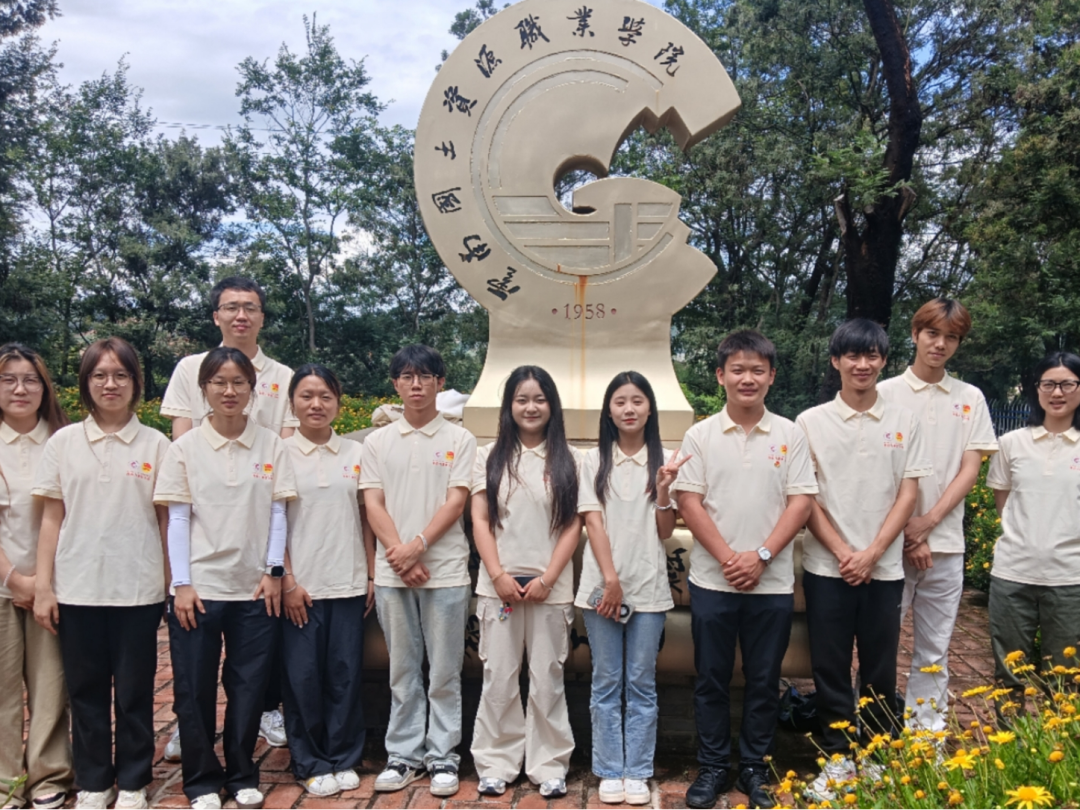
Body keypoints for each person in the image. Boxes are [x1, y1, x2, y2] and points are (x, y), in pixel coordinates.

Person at [674, 333, 817, 810]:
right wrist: (729, 558)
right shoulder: (700, 436)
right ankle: (713, 765)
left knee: (763, 678)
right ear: (721, 376)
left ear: (771, 376)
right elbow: (688, 501)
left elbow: (801, 501)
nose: (747, 378)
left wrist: (761, 555)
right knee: (711, 677)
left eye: (757, 370)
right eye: (738, 369)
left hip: (770, 582)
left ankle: (755, 766)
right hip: (713, 581)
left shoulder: (790, 434)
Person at [153, 347, 297, 810]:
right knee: (193, 688)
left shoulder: (271, 445)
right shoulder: (184, 448)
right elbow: (178, 519)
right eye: (219, 382)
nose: (229, 391)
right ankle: (200, 780)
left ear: (253, 389)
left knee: (248, 687)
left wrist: (274, 570)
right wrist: (181, 583)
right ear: (204, 389)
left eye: (239, 383)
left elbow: (278, 513)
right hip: (200, 589)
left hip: (254, 588)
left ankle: (241, 773)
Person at [32, 338, 171, 810]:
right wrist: (44, 587)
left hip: (138, 589)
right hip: (78, 588)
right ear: (85, 383)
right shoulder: (64, 443)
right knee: (85, 691)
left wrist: (170, 584)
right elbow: (52, 518)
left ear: (136, 382)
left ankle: (133, 780)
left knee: (134, 692)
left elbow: (166, 522)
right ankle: (94, 780)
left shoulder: (156, 444)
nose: (110, 384)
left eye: (120, 375)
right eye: (99, 375)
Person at [796, 319, 929, 803]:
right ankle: (836, 758)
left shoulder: (905, 421)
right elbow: (806, 496)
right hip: (826, 566)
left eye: (872, 355)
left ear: (883, 361)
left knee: (879, 666)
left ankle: (874, 756)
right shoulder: (810, 422)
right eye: (852, 355)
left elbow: (908, 493)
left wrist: (872, 553)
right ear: (836, 361)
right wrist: (842, 552)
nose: (862, 364)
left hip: (884, 568)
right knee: (829, 666)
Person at [361, 345, 476, 797]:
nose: (416, 385)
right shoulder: (377, 442)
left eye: (425, 376)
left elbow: (456, 501)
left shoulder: (459, 439)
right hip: (394, 575)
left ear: (439, 383)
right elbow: (373, 502)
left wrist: (418, 547)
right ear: (395, 384)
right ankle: (403, 754)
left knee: (445, 671)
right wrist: (399, 554)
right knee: (403, 670)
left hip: (444, 571)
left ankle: (443, 755)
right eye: (407, 377)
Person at [878, 299, 997, 731]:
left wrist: (927, 524)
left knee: (934, 650)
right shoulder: (884, 392)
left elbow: (970, 469)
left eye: (951, 337)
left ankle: (925, 740)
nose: (940, 344)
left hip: (945, 545)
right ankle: (871, 734)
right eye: (932, 333)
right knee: (878, 649)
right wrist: (908, 534)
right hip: (888, 548)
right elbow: (879, 472)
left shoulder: (970, 397)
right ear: (915, 334)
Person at [470, 366, 582, 799]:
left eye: (539, 399)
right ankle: (495, 763)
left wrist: (548, 578)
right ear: (509, 406)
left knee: (547, 677)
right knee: (499, 676)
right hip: (498, 587)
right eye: (522, 399)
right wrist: (497, 574)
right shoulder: (489, 456)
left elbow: (573, 525)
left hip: (550, 589)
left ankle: (549, 764)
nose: (530, 407)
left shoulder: (570, 459)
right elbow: (480, 520)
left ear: (552, 405)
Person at [577, 372, 685, 806]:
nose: (629, 409)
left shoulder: (664, 460)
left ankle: (637, 770)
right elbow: (592, 522)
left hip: (649, 587)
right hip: (602, 587)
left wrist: (664, 491)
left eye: (637, 401)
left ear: (650, 408)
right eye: (620, 401)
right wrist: (610, 580)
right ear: (608, 410)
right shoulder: (592, 461)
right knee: (606, 680)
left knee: (641, 682)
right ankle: (609, 768)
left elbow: (665, 530)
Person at [280, 364, 375, 797]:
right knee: (302, 678)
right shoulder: (279, 452)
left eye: (325, 396)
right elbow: (271, 521)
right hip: (300, 587)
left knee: (345, 674)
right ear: (292, 402)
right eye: (306, 396)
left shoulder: (356, 453)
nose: (316, 404)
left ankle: (344, 756)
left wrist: (370, 572)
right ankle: (310, 761)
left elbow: (366, 516)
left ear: (338, 402)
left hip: (348, 581)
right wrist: (287, 579)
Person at [0, 344, 71, 810]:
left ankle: (49, 773)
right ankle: (6, 781)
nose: (20, 389)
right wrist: (15, 579)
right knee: (2, 688)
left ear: (45, 388)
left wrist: (41, 584)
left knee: (50, 685)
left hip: (55, 586)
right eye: (8, 379)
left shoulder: (63, 440)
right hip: (3, 584)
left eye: (30, 379)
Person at [986, 352, 1080, 700]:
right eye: (1048, 384)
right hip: (1013, 574)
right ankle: (1007, 735)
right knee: (1008, 675)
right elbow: (1005, 504)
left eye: (1068, 384)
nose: (1057, 392)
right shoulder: (1011, 443)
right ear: (1036, 389)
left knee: (1066, 680)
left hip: (1071, 580)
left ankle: (1061, 738)